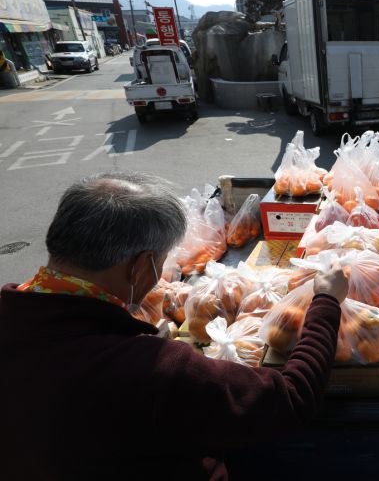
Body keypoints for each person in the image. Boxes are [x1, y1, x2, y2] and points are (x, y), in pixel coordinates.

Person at [0, 172, 348, 480]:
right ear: (141, 267)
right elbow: (291, 398)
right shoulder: (155, 370)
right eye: (163, 261)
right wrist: (326, 302)